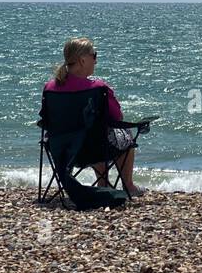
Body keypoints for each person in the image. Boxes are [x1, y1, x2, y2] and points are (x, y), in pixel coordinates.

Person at [44, 38, 146, 196]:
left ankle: (103, 184)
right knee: (123, 135)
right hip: (93, 149)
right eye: (94, 55)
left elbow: (46, 119)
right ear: (83, 60)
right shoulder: (98, 88)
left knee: (91, 133)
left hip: (62, 150)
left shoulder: (49, 88)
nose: (96, 61)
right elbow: (117, 117)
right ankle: (129, 186)